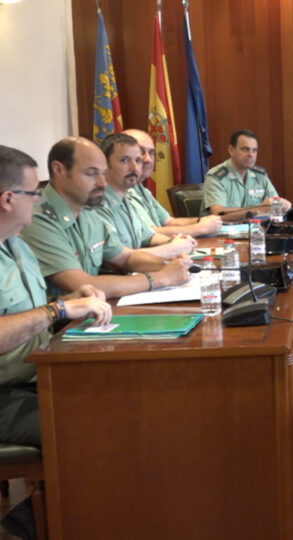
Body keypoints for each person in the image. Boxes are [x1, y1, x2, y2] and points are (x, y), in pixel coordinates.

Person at [0, 145, 112, 539]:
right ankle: (39, 524)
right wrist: (57, 310)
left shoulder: (17, 244)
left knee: (123, 399)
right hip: (5, 393)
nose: (39, 199)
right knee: (91, 425)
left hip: (36, 374)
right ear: (8, 199)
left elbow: (32, 313)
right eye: (33, 192)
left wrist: (74, 299)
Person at [19, 137, 191, 299]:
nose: (102, 183)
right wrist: (160, 278)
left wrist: (168, 265)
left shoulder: (88, 212)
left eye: (103, 173)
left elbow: (126, 257)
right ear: (59, 170)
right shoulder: (37, 218)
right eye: (91, 173)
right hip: (62, 318)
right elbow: (83, 284)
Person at [94, 133, 197, 258]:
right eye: (124, 160)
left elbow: (149, 236)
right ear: (105, 164)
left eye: (137, 161)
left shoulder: (129, 199)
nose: (134, 168)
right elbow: (120, 258)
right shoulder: (97, 205)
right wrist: (172, 248)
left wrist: (175, 240)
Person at [123, 129, 223, 236]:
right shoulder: (123, 192)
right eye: (141, 152)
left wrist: (204, 220)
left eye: (151, 153)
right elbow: (150, 233)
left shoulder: (142, 190)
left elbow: (169, 222)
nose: (148, 159)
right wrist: (201, 228)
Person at [202, 129, 292, 217]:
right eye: (245, 149)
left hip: (256, 226)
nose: (251, 154)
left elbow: (274, 202)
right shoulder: (216, 177)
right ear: (231, 150)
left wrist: (282, 205)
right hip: (223, 226)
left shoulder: (260, 174)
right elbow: (218, 213)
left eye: (254, 150)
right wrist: (257, 209)